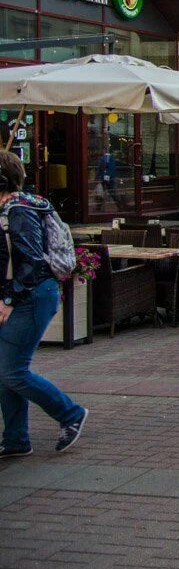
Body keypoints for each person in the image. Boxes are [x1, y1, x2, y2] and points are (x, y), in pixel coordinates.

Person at [0, 150, 87, 456]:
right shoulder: (14, 208)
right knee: (5, 370)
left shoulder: (18, 211)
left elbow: (31, 260)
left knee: (12, 371)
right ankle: (15, 439)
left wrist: (9, 298)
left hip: (32, 296)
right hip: (26, 295)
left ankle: (70, 413)